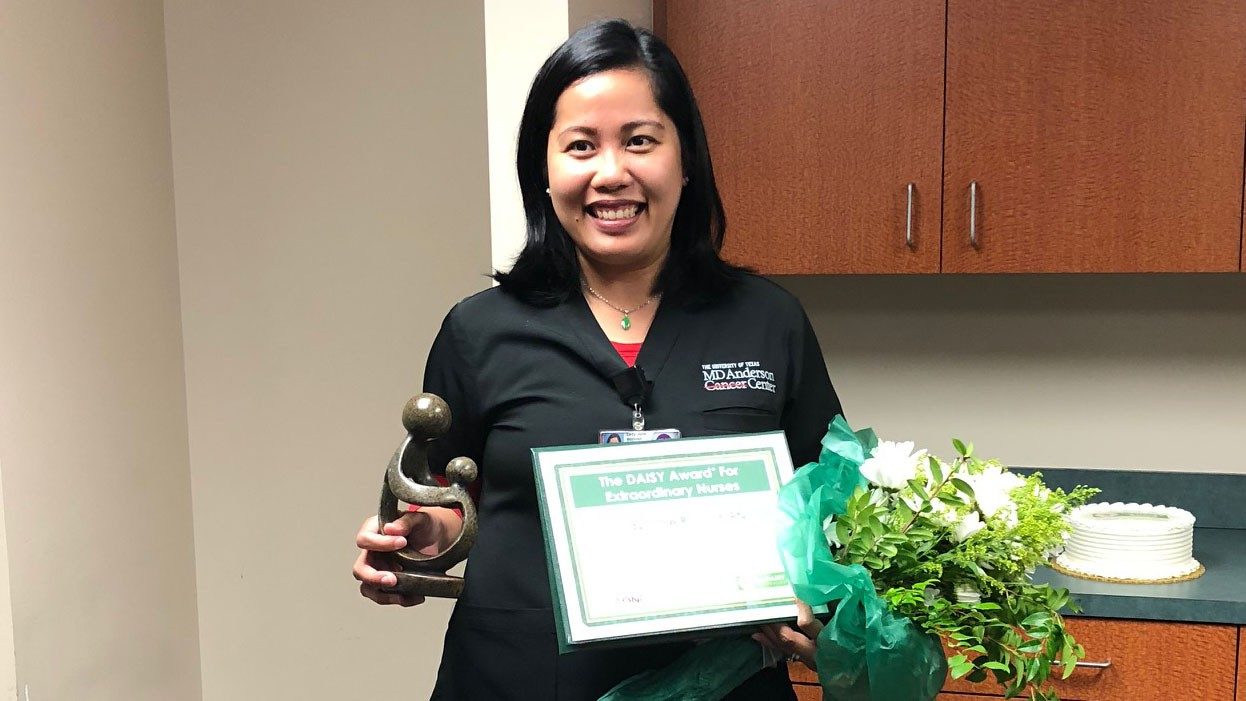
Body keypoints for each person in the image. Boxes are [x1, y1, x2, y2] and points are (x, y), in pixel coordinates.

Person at [352, 18, 843, 700]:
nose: (612, 173)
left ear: (686, 157)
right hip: (514, 679)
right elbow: (454, 500)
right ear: (544, 171)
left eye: (640, 141)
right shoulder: (479, 331)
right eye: (580, 146)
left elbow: (834, 510)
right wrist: (416, 542)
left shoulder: (768, 322)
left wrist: (830, 611)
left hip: (723, 685)